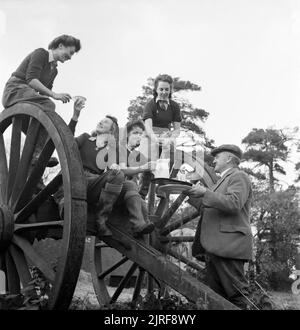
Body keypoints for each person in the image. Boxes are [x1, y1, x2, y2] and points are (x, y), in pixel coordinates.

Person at [64, 103, 155, 238]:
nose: (101, 122)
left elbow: (115, 166)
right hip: (76, 178)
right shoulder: (85, 138)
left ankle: (138, 224)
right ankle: (101, 221)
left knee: (129, 184)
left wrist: (116, 167)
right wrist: (75, 116)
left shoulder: (111, 149)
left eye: (105, 122)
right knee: (118, 175)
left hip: (94, 183)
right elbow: (65, 141)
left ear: (112, 130)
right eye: (101, 120)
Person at [185, 144, 253, 309]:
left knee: (237, 296)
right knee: (217, 299)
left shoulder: (239, 176)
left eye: (217, 156)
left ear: (229, 158)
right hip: (215, 247)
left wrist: (205, 193)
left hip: (229, 246)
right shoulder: (221, 181)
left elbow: (234, 203)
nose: (214, 160)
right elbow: (208, 208)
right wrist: (189, 191)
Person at [2, 34, 82, 166]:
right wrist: (55, 95)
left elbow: (44, 91)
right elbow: (32, 80)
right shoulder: (41, 54)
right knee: (48, 105)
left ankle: (34, 167)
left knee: (43, 126)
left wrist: (56, 95)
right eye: (71, 52)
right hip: (15, 90)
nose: (70, 57)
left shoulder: (54, 70)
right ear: (61, 46)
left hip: (28, 97)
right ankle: (37, 154)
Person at [141, 74, 182, 174]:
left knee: (166, 164)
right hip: (150, 137)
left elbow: (177, 130)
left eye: (167, 89)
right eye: (161, 89)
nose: (164, 92)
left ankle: (163, 178)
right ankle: (144, 185)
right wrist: (155, 139)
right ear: (156, 89)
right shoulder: (150, 105)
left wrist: (170, 139)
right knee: (149, 167)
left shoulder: (174, 106)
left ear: (170, 90)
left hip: (166, 137)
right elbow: (148, 127)